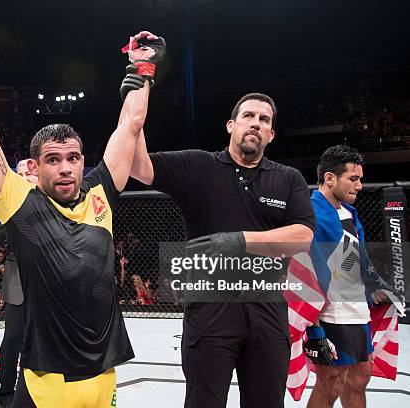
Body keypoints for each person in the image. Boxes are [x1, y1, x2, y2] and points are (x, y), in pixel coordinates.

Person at [0, 13, 163, 407]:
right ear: (34, 167)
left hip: (104, 373)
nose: (67, 167)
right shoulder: (20, 200)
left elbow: (131, 124)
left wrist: (144, 64)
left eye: (73, 157)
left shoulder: (99, 194)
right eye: (54, 159)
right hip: (45, 382)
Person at [130, 92, 316, 407]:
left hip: (266, 307)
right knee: (204, 401)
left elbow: (303, 237)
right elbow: (138, 166)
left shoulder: (288, 179)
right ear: (231, 125)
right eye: (248, 116)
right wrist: (135, 98)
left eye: (264, 120)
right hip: (211, 308)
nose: (256, 124)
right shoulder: (199, 165)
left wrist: (237, 241)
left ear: (271, 134)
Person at [306, 145, 394, 408]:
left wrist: (376, 286)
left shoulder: (348, 213)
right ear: (330, 178)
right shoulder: (310, 214)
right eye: (353, 179)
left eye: (361, 179)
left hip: (355, 308)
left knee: (360, 377)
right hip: (330, 312)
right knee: (331, 380)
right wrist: (314, 327)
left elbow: (357, 258)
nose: (359, 185)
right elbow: (306, 275)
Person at [0, 158, 34, 408]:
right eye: (20, 174)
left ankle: (36, 389)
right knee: (13, 338)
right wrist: (11, 206)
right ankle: (6, 392)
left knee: (43, 337)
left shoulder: (50, 196)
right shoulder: (10, 201)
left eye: (29, 172)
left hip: (49, 279)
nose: (25, 176)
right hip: (18, 279)